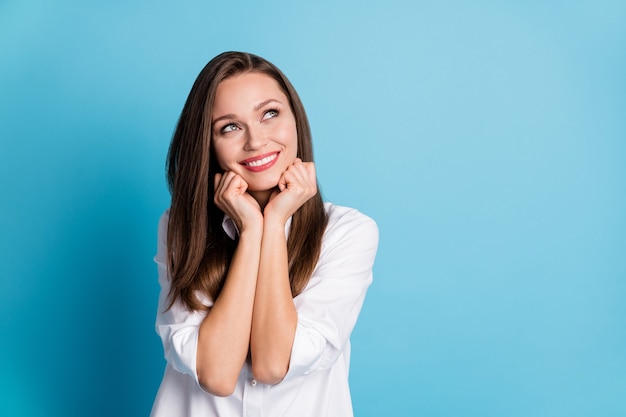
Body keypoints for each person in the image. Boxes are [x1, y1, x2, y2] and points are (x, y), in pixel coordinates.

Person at [150, 51, 379, 417]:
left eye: (270, 114)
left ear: (295, 119)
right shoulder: (181, 227)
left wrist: (273, 222)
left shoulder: (348, 232)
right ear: (208, 146)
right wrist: (251, 231)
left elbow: (274, 365)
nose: (255, 141)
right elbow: (217, 375)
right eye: (230, 127)